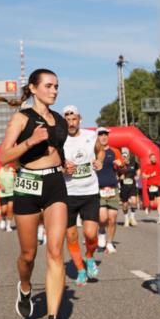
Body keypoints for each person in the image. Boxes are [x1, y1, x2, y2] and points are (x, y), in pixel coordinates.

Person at [0, 69, 71, 319]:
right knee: (28, 255)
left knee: (55, 252)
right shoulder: (21, 118)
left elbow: (57, 151)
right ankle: (25, 287)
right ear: (34, 88)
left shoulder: (59, 120)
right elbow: (4, 156)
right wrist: (30, 141)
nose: (54, 91)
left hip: (55, 185)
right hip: (27, 184)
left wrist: (64, 163)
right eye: (49, 86)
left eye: (57, 86)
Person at [61, 105, 103, 286]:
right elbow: (53, 162)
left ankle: (89, 257)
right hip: (68, 193)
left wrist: (99, 160)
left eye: (74, 119)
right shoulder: (59, 140)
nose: (71, 122)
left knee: (90, 233)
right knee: (71, 236)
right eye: (67, 120)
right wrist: (63, 167)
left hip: (90, 191)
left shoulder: (90, 136)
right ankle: (80, 270)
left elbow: (100, 150)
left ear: (80, 119)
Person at [95, 128, 122, 254]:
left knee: (113, 218)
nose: (104, 137)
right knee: (102, 218)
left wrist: (120, 164)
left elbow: (123, 165)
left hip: (112, 189)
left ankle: (110, 243)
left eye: (106, 135)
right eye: (101, 135)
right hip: (98, 189)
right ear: (97, 137)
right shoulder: (93, 152)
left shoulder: (115, 151)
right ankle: (101, 231)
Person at [140, 153, 160, 224]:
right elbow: (143, 176)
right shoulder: (146, 166)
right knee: (151, 203)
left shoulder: (158, 165)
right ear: (150, 159)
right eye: (152, 158)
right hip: (150, 187)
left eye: (155, 157)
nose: (154, 159)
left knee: (159, 202)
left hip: (158, 186)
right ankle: (149, 208)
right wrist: (151, 175)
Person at [118, 149, 139, 227]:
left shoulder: (133, 163)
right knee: (125, 204)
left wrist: (138, 175)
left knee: (134, 202)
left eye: (126, 156)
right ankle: (126, 219)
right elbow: (116, 176)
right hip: (124, 187)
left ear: (128, 156)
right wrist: (120, 177)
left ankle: (132, 218)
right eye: (123, 157)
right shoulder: (119, 166)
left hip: (132, 185)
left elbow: (138, 170)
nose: (125, 158)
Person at [0, 161, 17, 232]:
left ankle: (8, 225)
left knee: (10, 209)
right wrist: (0, 185)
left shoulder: (12, 170)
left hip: (11, 193)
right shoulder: (0, 171)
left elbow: (17, 180)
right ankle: (3, 219)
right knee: (4, 210)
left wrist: (15, 177)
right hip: (3, 194)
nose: (7, 163)